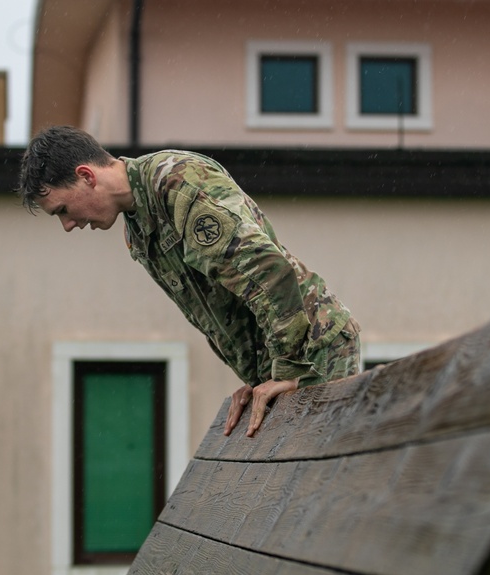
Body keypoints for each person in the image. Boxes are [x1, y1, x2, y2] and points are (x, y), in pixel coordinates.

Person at [19, 125, 361, 437]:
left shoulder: (178, 183)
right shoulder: (136, 230)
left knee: (321, 495)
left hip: (314, 353)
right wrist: (261, 378)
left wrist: (286, 372)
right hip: (284, 364)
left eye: (62, 210)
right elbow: (221, 310)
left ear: (86, 176)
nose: (67, 225)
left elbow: (269, 272)